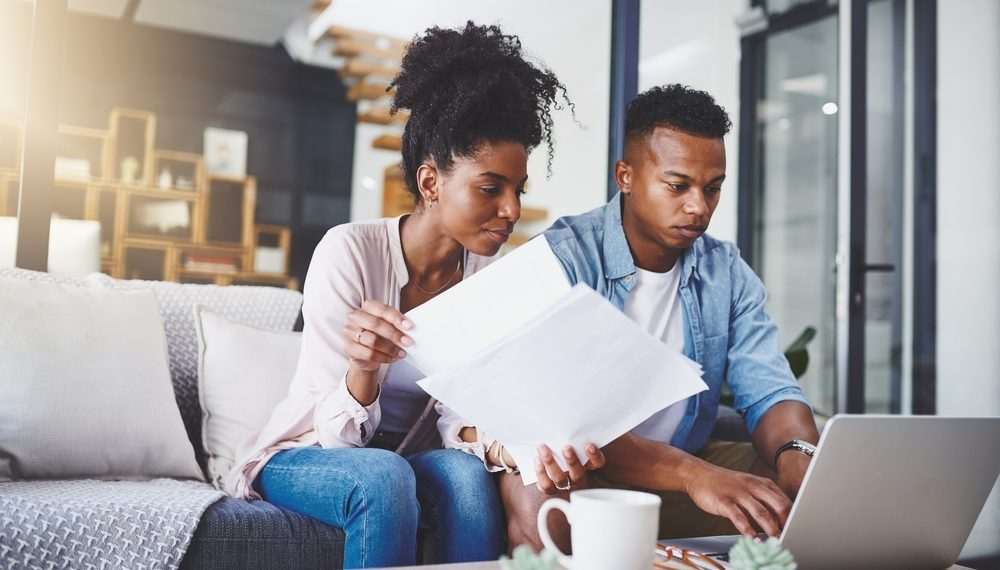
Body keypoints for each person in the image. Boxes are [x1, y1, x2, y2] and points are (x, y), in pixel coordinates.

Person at [225, 22, 590, 568]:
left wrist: (503, 447)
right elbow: (338, 440)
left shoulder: (488, 274)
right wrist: (364, 370)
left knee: (467, 480)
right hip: (308, 451)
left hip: (409, 456)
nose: (511, 209)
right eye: (491, 189)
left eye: (518, 191)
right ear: (430, 183)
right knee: (383, 476)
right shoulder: (348, 251)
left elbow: (457, 415)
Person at [502, 84, 821, 550]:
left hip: (684, 466)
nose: (699, 206)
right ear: (625, 176)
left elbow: (770, 386)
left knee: (790, 485)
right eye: (678, 186)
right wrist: (696, 477)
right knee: (538, 492)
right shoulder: (563, 260)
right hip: (587, 472)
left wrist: (799, 457)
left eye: (712, 189)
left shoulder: (725, 271)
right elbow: (568, 424)